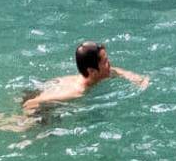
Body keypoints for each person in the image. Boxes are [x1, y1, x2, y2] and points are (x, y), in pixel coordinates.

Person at [21, 41, 149, 114]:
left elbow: (117, 71)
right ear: (92, 71)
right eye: (105, 62)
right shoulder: (76, 92)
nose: (109, 64)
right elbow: (31, 103)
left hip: (46, 88)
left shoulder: (101, 73)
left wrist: (137, 79)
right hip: (40, 103)